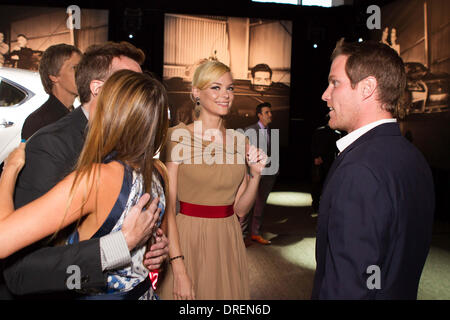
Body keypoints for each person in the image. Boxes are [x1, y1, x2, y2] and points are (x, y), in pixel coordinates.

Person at [1, 42, 168, 299]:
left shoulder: (146, 166)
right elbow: (20, 271)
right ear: (99, 89)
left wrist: (145, 247)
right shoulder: (52, 144)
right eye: (127, 82)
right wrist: (121, 247)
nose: (137, 91)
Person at [311, 39, 435, 299]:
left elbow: (349, 287)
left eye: (335, 83)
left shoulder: (359, 169)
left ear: (367, 88)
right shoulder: (414, 158)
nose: (325, 94)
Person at [158, 60, 267, 300]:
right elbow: (168, 206)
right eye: (215, 88)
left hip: (228, 241)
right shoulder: (179, 136)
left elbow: (240, 209)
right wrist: (178, 268)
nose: (225, 95)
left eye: (230, 88)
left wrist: (256, 175)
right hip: (188, 239)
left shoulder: (240, 141)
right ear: (196, 92)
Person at [22, 44, 82, 140]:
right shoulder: (38, 122)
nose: (83, 73)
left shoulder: (78, 116)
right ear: (54, 76)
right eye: (75, 68)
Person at [240, 102, 277, 245]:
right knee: (246, 206)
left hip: (268, 175)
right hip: (252, 175)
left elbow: (271, 152)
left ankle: (255, 233)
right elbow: (243, 154)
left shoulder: (271, 131)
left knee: (260, 206)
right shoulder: (249, 130)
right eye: (267, 112)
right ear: (259, 115)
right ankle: (241, 237)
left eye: (270, 112)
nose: (270, 115)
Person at [310, 124, 341, 217]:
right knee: (322, 185)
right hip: (328, 162)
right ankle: (320, 207)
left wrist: (316, 157)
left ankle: (317, 206)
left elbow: (313, 145)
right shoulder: (335, 133)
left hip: (323, 162)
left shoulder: (320, 131)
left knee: (318, 185)